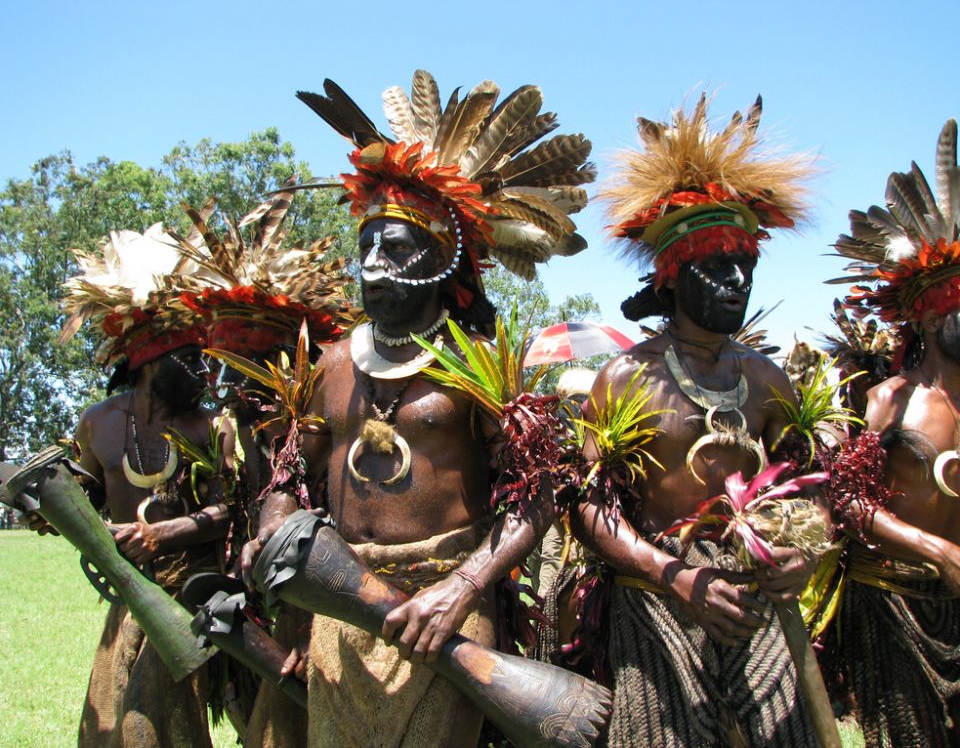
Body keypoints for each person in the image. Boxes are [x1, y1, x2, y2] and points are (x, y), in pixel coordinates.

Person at [242, 69, 594, 748]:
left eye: (396, 246)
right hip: (341, 602)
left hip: (445, 610)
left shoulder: (482, 364)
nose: (373, 262)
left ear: (441, 260)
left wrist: (463, 588)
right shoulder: (332, 364)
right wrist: (274, 531)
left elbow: (540, 493)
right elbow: (290, 474)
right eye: (366, 245)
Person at [574, 94, 822, 746]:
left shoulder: (769, 380)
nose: (737, 281)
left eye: (746, 265)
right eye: (717, 266)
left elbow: (810, 486)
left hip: (751, 602)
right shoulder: (626, 379)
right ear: (674, 275)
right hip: (654, 600)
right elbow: (588, 508)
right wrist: (676, 576)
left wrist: (803, 553)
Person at [174, 186, 359, 748]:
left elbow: (344, 527)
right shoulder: (238, 428)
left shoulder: (318, 416)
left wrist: (313, 629)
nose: (227, 385)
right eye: (219, 367)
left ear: (280, 361)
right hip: (262, 611)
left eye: (243, 367)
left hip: (322, 614)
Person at [56, 224, 236, 748]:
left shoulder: (210, 426)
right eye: (191, 358)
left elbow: (228, 512)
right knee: (108, 715)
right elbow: (83, 498)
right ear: (146, 360)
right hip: (128, 588)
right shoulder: (99, 423)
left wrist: (163, 536)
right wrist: (56, 513)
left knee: (154, 716)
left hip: (194, 591)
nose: (205, 370)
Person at [828, 118, 960, 747]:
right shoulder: (887, 403)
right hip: (898, 605)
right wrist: (937, 551)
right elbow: (846, 502)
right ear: (933, 316)